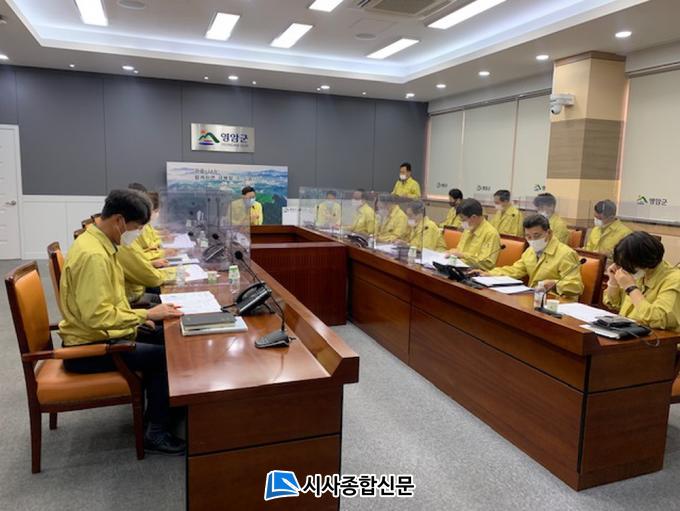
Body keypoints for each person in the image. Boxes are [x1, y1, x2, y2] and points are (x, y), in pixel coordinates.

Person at [59, 189, 185, 455]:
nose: (137, 234)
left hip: (104, 333)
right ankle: (156, 433)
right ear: (118, 221)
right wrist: (145, 315)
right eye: (136, 228)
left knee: (168, 335)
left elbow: (110, 302)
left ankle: (164, 409)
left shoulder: (101, 243)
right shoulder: (94, 256)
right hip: (89, 347)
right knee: (165, 357)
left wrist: (137, 321)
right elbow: (97, 316)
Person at [484, 213, 584, 299]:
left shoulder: (566, 254)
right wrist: (489, 274)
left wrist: (554, 284)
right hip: (535, 298)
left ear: (549, 233)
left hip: (557, 303)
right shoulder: (530, 251)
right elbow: (514, 270)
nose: (532, 240)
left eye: (537, 235)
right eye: (528, 236)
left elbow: (577, 286)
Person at [603, 232, 680, 330]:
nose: (624, 269)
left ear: (645, 260)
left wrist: (631, 288)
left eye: (628, 265)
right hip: (629, 329)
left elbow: (659, 319)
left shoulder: (675, 279)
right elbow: (614, 304)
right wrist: (613, 280)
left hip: (658, 336)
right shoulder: (640, 272)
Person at [447, 199, 501, 271]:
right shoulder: (468, 229)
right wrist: (452, 253)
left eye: (463, 219)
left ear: (474, 217)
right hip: (461, 268)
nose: (462, 223)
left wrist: (462, 255)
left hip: (477, 273)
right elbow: (459, 250)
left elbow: (487, 264)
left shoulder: (491, 234)